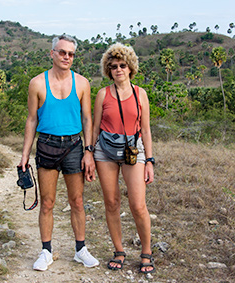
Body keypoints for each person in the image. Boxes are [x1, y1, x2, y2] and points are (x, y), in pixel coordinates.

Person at [19, 34, 99, 271]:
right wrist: (24, 154)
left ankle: (80, 250)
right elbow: (32, 119)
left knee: (77, 201)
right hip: (47, 145)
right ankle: (46, 251)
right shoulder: (37, 83)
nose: (67, 57)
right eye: (62, 52)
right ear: (52, 53)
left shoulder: (82, 83)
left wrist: (89, 151)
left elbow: (87, 118)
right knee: (47, 202)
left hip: (75, 146)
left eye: (71, 54)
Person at [92, 43, 155, 274]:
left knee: (138, 204)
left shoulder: (141, 94)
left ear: (130, 68)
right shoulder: (102, 95)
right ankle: (118, 251)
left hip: (133, 150)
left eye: (122, 65)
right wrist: (89, 153)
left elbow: (146, 130)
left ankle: (146, 252)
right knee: (111, 203)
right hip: (105, 151)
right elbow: (95, 127)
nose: (118, 69)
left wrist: (149, 161)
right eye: (113, 66)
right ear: (108, 70)